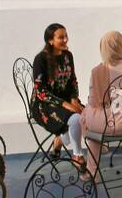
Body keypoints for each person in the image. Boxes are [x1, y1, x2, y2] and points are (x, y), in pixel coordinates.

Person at [83, 31, 122, 176]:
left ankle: (92, 172)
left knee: (86, 117)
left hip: (108, 125)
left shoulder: (98, 70)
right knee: (90, 119)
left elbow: (93, 101)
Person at [30, 23, 86, 171]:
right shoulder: (40, 59)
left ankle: (59, 141)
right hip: (45, 105)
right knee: (75, 118)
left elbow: (73, 80)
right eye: (61, 37)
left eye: (66, 36)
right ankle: (77, 156)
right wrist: (65, 104)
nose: (65, 39)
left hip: (67, 101)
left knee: (86, 115)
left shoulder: (68, 56)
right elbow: (40, 91)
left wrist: (74, 98)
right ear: (50, 40)